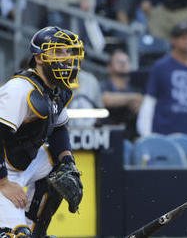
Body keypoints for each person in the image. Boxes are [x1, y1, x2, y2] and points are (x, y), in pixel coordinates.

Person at [0, 26, 84, 237]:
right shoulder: (19, 89)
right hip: (3, 172)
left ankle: (38, 232)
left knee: (61, 171)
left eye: (67, 52)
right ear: (38, 57)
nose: (65, 58)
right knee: (16, 236)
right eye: (57, 51)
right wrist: (3, 182)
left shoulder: (57, 90)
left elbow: (58, 128)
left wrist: (67, 162)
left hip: (21, 164)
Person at [137, 21, 187, 141]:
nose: (186, 40)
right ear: (173, 40)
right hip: (163, 134)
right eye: (182, 37)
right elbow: (149, 101)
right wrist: (146, 134)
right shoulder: (160, 67)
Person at [101, 49, 143, 142]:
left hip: (131, 137)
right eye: (119, 61)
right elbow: (105, 99)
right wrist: (132, 98)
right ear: (109, 67)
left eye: (126, 61)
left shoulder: (136, 88)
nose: (123, 64)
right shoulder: (103, 86)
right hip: (106, 137)